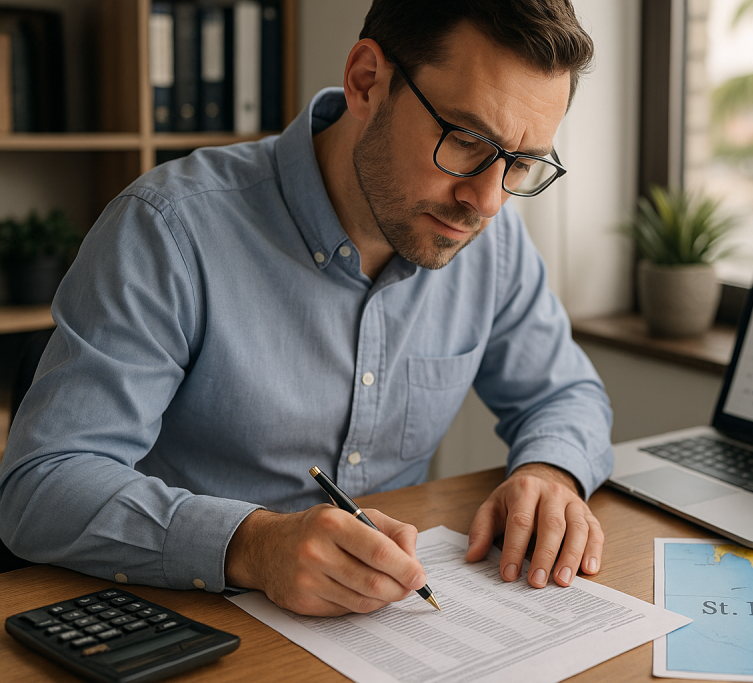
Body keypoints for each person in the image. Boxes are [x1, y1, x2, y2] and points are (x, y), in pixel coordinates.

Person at [0, 0, 613, 617]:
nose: (486, 201)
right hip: (192, 618)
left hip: (386, 624)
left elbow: (565, 394)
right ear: (366, 81)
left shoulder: (493, 243)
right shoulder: (169, 230)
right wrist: (252, 544)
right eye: (466, 141)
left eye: (523, 161)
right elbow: (42, 486)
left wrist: (550, 474)